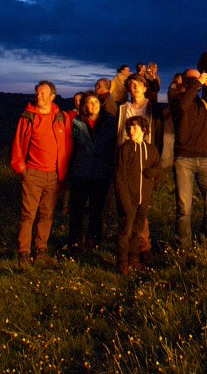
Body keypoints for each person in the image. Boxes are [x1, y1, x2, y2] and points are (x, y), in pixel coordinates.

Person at [10, 80, 73, 267]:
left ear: (52, 96)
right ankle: (23, 253)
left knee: (47, 215)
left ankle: (41, 251)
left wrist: (64, 172)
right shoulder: (28, 116)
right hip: (33, 174)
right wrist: (21, 168)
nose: (38, 96)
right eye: (37, 93)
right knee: (28, 214)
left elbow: (67, 145)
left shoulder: (61, 117)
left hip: (54, 176)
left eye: (43, 93)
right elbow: (18, 142)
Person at [115, 74, 172, 263]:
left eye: (139, 84)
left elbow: (158, 135)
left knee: (141, 206)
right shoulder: (123, 109)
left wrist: (157, 163)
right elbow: (119, 134)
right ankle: (133, 251)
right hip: (127, 157)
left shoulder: (152, 109)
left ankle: (142, 247)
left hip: (146, 157)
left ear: (145, 88)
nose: (135, 87)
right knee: (129, 206)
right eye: (131, 85)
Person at [170, 69, 207, 248]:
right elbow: (183, 107)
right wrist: (197, 84)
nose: (199, 80)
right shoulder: (177, 99)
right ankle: (183, 246)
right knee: (184, 208)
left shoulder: (203, 103)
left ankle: (206, 242)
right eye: (194, 79)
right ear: (186, 82)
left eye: (199, 78)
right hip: (184, 159)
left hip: (205, 160)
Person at [67, 91, 116, 252]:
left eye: (95, 102)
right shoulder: (76, 123)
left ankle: (93, 241)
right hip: (80, 172)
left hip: (101, 173)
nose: (93, 105)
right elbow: (70, 147)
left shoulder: (110, 123)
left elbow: (113, 147)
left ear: (100, 104)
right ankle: (75, 241)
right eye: (89, 102)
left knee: (97, 210)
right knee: (77, 210)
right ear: (84, 106)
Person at [114, 115, 160, 274]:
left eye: (135, 127)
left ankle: (134, 260)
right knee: (125, 231)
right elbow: (119, 176)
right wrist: (124, 200)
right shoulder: (125, 149)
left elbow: (159, 168)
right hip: (128, 199)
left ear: (144, 130)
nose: (131, 130)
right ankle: (122, 262)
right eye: (129, 127)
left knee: (137, 231)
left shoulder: (151, 150)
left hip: (143, 199)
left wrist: (152, 172)